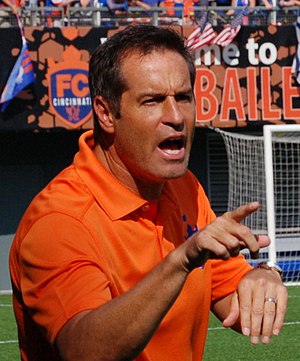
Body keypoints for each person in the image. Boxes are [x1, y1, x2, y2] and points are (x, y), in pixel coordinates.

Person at [9, 24, 287, 361]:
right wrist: (181, 260)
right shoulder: (60, 220)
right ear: (106, 113)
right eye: (153, 100)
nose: (175, 117)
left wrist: (264, 277)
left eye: (183, 97)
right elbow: (84, 352)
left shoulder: (185, 187)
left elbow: (237, 304)